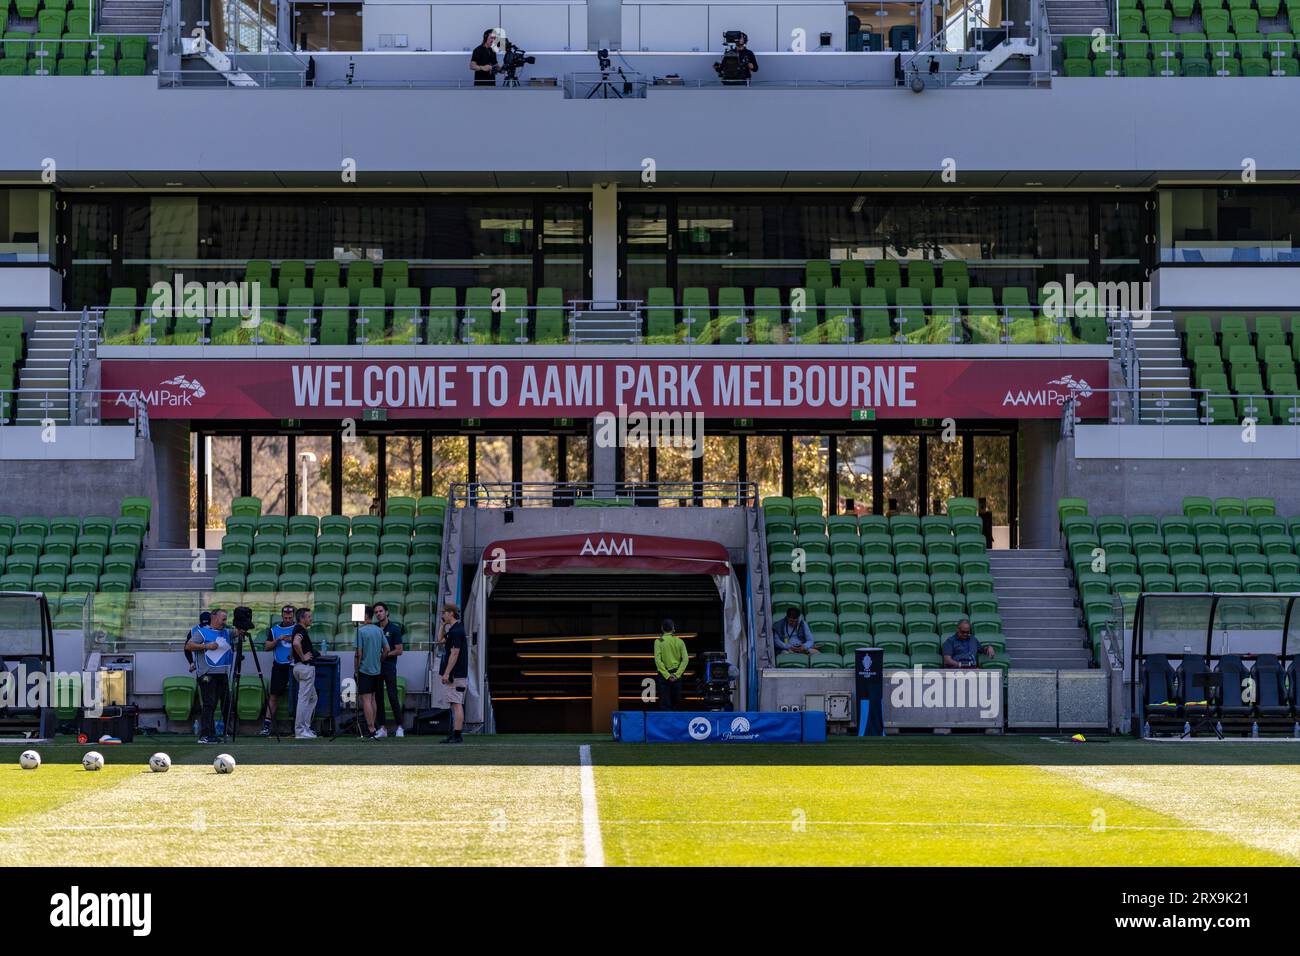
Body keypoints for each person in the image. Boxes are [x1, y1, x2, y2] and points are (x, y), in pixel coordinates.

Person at [185, 608, 232, 744]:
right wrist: (206, 646)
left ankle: (215, 733)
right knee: (209, 703)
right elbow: (188, 646)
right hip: (207, 674)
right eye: (223, 619)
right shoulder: (202, 632)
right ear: (214, 618)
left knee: (223, 702)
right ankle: (205, 735)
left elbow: (238, 632)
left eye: (225, 619)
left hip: (222, 673)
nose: (225, 622)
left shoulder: (226, 632)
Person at [260, 604, 296, 736]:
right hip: (279, 666)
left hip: (294, 666)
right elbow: (267, 647)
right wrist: (278, 639)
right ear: (282, 616)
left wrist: (293, 639)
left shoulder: (298, 628)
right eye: (285, 617)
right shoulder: (275, 629)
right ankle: (267, 725)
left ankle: (297, 726)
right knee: (274, 695)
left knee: (298, 696)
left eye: (290, 617)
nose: (288, 619)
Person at [372, 601, 405, 738]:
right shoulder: (374, 628)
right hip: (375, 668)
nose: (378, 614)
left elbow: (399, 650)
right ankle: (383, 728)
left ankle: (400, 727)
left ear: (386, 612)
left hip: (389, 667)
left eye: (380, 611)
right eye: (376, 612)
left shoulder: (395, 629)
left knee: (392, 696)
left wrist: (384, 655)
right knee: (378, 697)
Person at [354, 606, 388, 738]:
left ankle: (370, 729)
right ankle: (373, 726)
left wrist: (356, 670)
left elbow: (358, 653)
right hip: (376, 670)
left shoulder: (360, 631)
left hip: (364, 670)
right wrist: (379, 660)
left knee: (366, 699)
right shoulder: (379, 630)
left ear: (365, 616)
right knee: (373, 698)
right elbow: (387, 649)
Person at [436, 604, 467, 744]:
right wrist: (442, 626)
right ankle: (454, 733)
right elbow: (440, 640)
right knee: (454, 703)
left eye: (444, 613)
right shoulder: (453, 629)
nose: (442, 615)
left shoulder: (456, 631)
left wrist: (447, 673)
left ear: (451, 613)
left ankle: (457, 734)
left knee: (456, 703)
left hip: (456, 674)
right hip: (456, 673)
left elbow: (455, 653)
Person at [291, 607, 319, 739]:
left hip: (299, 667)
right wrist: (303, 657)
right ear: (302, 618)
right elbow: (296, 643)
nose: (311, 619)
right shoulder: (301, 630)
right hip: (305, 667)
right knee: (303, 699)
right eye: (309, 616)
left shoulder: (297, 629)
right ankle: (300, 730)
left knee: (313, 698)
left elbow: (294, 645)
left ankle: (305, 727)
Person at [653, 618, 689, 711]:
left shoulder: (658, 641)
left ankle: (665, 723)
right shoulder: (680, 641)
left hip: (663, 675)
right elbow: (685, 659)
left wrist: (667, 675)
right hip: (677, 674)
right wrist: (677, 675)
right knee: (676, 702)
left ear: (662, 628)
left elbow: (658, 660)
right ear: (673, 628)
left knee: (665, 702)